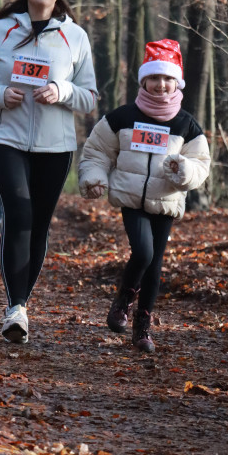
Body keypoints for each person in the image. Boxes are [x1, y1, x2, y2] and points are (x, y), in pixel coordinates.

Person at [0, 0, 98, 344]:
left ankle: (22, 302)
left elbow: (89, 97)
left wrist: (64, 91)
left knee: (38, 222)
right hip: (4, 137)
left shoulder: (76, 37)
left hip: (56, 145)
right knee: (18, 211)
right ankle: (15, 306)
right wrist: (0, 95)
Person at [78, 39, 210, 353]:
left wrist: (183, 170)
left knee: (155, 264)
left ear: (176, 82)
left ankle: (142, 328)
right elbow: (96, 151)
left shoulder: (186, 124)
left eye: (168, 78)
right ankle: (123, 300)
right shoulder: (123, 117)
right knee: (144, 253)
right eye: (155, 77)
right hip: (131, 198)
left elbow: (201, 164)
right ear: (144, 80)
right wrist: (95, 178)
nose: (161, 84)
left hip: (166, 201)